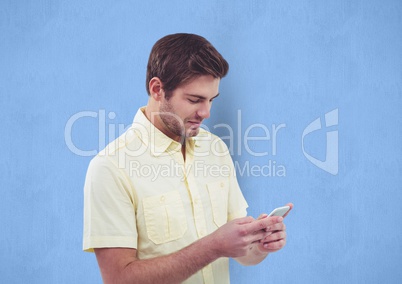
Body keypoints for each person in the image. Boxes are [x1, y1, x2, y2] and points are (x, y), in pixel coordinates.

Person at [83, 33, 293, 284]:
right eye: (195, 99)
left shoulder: (215, 149)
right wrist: (213, 247)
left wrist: (258, 245)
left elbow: (242, 254)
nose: (206, 112)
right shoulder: (110, 167)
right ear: (157, 89)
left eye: (212, 100)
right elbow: (118, 279)